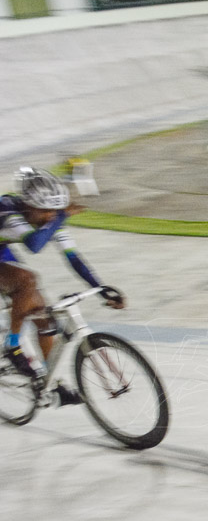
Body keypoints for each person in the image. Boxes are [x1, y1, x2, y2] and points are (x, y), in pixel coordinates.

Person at [0, 167, 124, 402]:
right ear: (28, 206)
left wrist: (101, 288)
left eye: (54, 210)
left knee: (44, 319)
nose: (50, 216)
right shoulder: (9, 213)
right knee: (28, 280)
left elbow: (73, 258)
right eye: (45, 211)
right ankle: (12, 346)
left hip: (1, 253)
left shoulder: (51, 218)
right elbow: (34, 245)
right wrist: (61, 217)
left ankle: (50, 384)